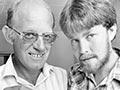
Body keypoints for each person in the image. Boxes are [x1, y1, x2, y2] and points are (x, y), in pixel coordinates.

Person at [0, 0, 67, 90]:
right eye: (30, 35)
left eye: (47, 36)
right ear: (9, 35)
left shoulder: (64, 78)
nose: (41, 47)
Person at [59, 0, 120, 89]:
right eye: (75, 40)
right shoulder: (75, 73)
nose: (82, 50)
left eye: (90, 36)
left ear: (111, 31)